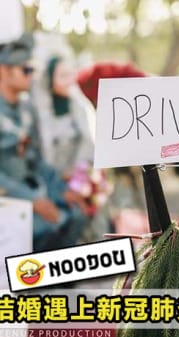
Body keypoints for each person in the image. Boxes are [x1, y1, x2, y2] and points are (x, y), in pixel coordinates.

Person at [0, 33, 88, 251]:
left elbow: (36, 160)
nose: (31, 75)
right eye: (25, 70)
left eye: (33, 69)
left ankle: (55, 283)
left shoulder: (26, 109)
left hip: (31, 189)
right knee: (47, 226)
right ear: (3, 70)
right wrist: (33, 200)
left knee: (76, 214)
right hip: (9, 198)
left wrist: (60, 190)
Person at [30, 55, 94, 175]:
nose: (69, 81)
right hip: (47, 179)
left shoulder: (78, 106)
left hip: (77, 178)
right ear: (49, 80)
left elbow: (88, 140)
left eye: (70, 74)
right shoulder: (38, 111)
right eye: (63, 76)